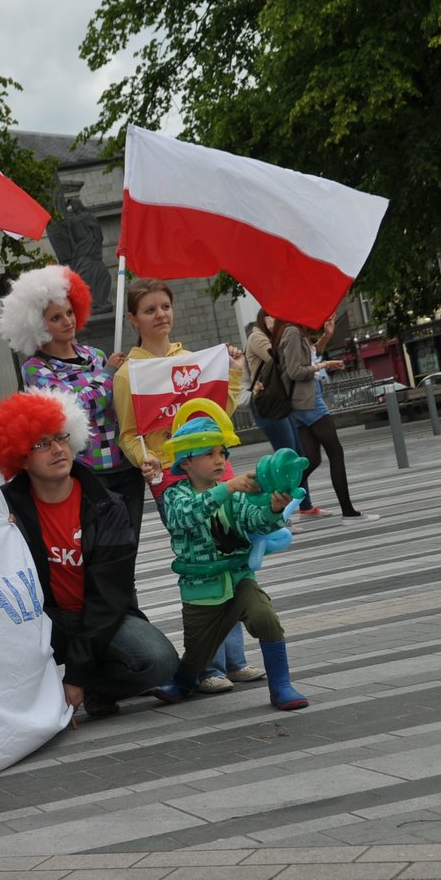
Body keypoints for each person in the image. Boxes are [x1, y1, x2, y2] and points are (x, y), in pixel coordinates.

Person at [0, 388, 179, 720]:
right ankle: (44, 691)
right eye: (42, 443)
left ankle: (92, 687)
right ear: (20, 456)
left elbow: (108, 598)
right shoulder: (1, 509)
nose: (57, 449)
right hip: (43, 621)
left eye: (60, 437)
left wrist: (77, 676)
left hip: (100, 613)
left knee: (159, 661)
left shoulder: (108, 506)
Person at [110, 278, 259, 694]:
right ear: (133, 319)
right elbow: (129, 433)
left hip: (214, 470)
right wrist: (146, 460)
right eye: (150, 309)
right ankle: (208, 665)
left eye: (165, 307)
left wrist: (231, 372)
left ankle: (235, 660)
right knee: (201, 567)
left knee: (231, 558)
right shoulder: (130, 375)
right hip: (173, 479)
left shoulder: (193, 359)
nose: (161, 315)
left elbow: (219, 416)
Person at [153, 404, 308, 712]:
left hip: (239, 577)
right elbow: (185, 517)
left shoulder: (235, 494)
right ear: (186, 462)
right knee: (198, 654)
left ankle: (280, 686)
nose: (219, 460)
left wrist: (273, 509)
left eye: (222, 454)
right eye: (209, 454)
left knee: (266, 618)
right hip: (202, 587)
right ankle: (185, 680)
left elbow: (255, 521)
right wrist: (227, 488)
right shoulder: (175, 496)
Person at [0, 265, 141, 537]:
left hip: (125, 466)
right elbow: (74, 408)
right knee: (100, 548)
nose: (67, 321)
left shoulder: (96, 355)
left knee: (128, 547)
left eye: (70, 312)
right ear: (38, 325)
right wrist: (109, 374)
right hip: (86, 471)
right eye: (56, 317)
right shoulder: (36, 369)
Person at [279, 315, 380, 524]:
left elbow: (310, 356)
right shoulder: (292, 332)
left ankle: (277, 501)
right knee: (336, 451)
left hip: (302, 401)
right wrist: (322, 366)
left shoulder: (297, 333)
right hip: (307, 400)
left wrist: (327, 335)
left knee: (312, 459)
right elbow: (295, 371)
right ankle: (348, 512)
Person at [245, 307, 320, 519]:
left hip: (279, 400)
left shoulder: (273, 337)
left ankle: (305, 505)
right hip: (267, 402)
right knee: (284, 460)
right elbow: (277, 361)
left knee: (298, 456)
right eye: (274, 317)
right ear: (265, 318)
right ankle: (279, 513)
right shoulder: (257, 337)